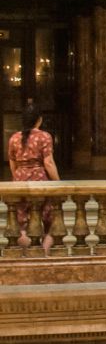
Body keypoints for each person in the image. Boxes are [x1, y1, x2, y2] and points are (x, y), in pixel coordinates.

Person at [7, 104, 60, 251]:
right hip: (39, 179)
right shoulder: (44, 136)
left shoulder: (14, 138)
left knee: (21, 221)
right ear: (39, 120)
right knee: (49, 219)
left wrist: (18, 178)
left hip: (19, 180)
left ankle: (29, 250)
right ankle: (43, 252)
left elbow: (12, 163)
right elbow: (48, 163)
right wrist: (58, 183)